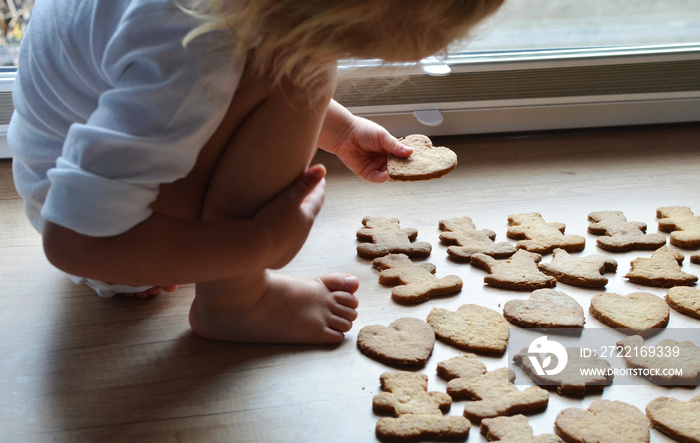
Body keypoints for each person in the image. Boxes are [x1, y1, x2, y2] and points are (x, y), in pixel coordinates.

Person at [8, 0, 504, 344]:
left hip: (78, 180)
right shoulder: (191, 46)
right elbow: (72, 240)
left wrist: (338, 131)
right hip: (102, 233)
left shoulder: (204, 23)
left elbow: (213, 78)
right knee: (303, 71)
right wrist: (263, 243)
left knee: (293, 63)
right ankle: (237, 301)